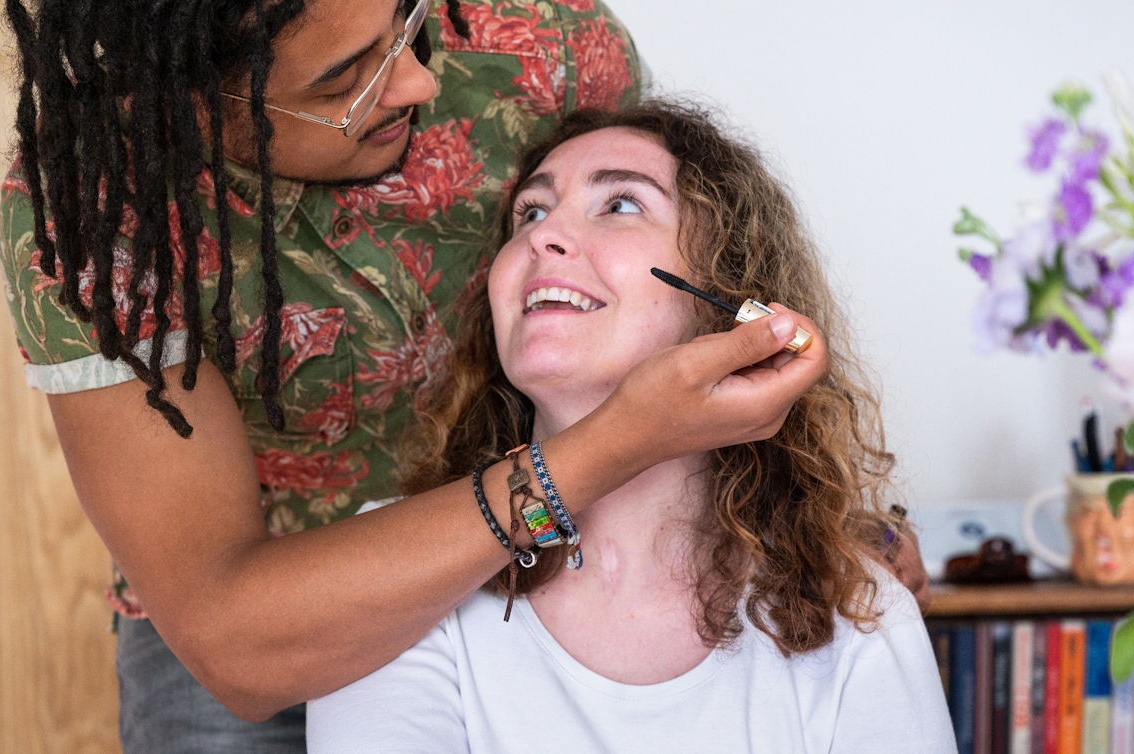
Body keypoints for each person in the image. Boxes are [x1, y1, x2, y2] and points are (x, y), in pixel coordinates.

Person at [0, 0, 923, 750]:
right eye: (345, 77)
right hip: (262, 611)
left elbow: (672, 265)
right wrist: (603, 450)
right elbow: (234, 640)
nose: (420, 82)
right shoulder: (88, 211)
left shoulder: (538, 34)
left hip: (561, 539)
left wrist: (801, 499)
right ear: (195, 111)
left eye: (406, 6)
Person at [307, 100, 956, 753]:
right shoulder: (392, 580)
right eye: (529, 212)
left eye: (621, 204)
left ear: (731, 296)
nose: (542, 235)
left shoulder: (861, 610)